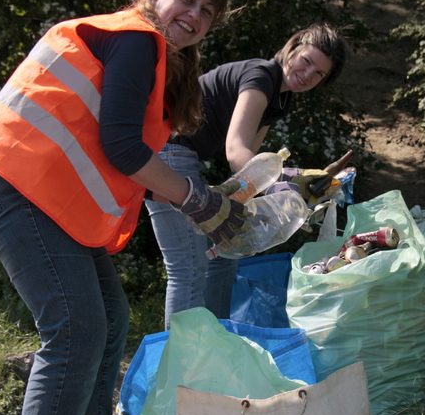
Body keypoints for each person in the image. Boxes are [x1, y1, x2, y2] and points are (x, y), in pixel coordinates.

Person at [0, 0, 248, 415]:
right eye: (186, 0)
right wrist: (198, 201)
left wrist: (206, 206)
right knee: (76, 329)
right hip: (12, 180)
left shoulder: (151, 52)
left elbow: (119, 153)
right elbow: (122, 147)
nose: (193, 16)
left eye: (207, 12)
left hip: (41, 189)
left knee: (110, 319)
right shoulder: (137, 40)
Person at [146, 23, 348, 328]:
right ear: (292, 48)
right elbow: (236, 151)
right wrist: (286, 187)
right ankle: (182, 362)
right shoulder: (261, 76)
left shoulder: (280, 99)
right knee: (188, 268)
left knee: (224, 255)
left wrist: (294, 182)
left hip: (184, 159)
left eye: (318, 73)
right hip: (167, 155)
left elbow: (244, 170)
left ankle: (217, 342)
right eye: (306, 61)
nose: (307, 75)